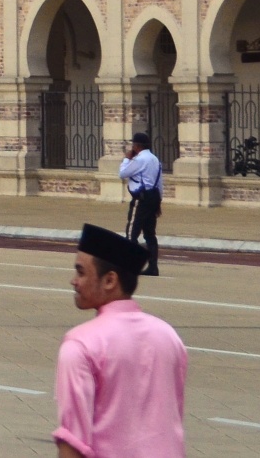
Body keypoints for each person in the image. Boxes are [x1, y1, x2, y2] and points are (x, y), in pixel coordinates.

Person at [52, 224, 187, 458]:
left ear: (109, 280)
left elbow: (73, 441)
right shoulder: (169, 336)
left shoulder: (81, 344)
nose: (73, 281)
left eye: (81, 272)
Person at [118, 132, 162, 277]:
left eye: (133, 145)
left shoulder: (140, 159)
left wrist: (127, 159)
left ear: (137, 146)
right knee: (150, 234)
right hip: (154, 196)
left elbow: (123, 173)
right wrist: (159, 202)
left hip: (141, 199)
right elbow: (159, 183)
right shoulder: (155, 159)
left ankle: (131, 265)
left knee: (132, 232)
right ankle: (153, 267)